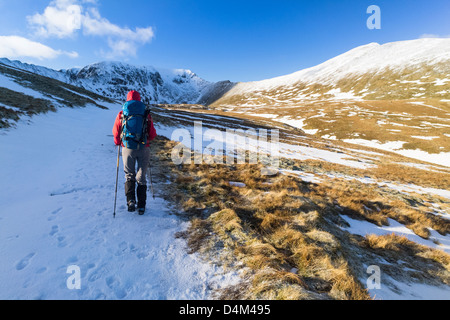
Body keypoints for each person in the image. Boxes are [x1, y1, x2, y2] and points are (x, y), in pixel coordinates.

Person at [113, 90, 157, 215]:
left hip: (127, 148)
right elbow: (152, 133)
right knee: (141, 177)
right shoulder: (145, 113)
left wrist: (118, 142)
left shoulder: (122, 113)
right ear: (139, 99)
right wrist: (147, 140)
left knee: (129, 175)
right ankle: (142, 206)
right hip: (144, 148)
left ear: (128, 99)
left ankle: (131, 201)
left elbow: (116, 132)